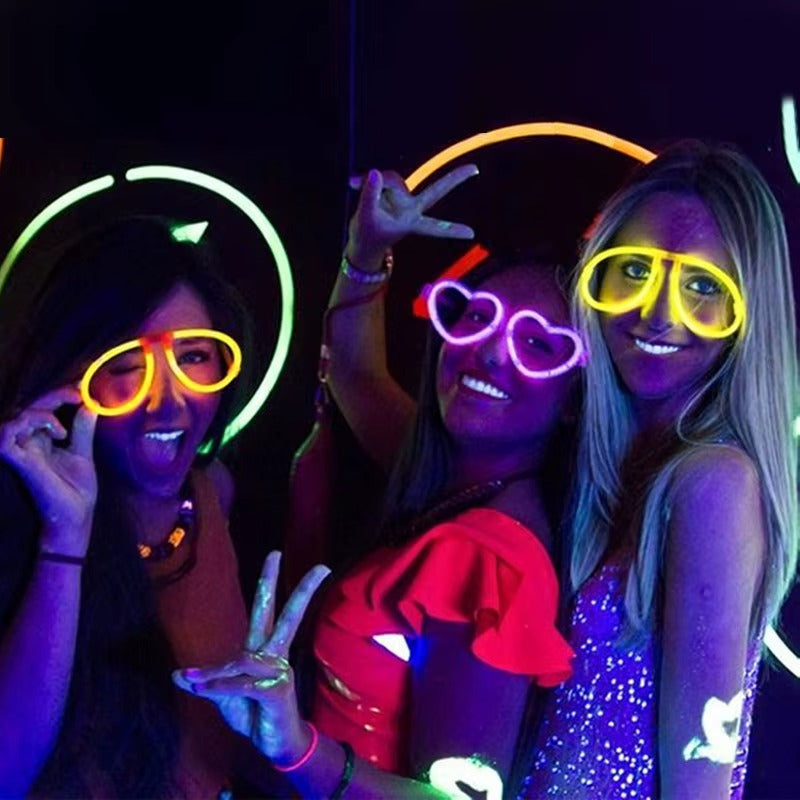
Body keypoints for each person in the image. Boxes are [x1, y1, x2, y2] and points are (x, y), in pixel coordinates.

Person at [175, 166, 583, 797]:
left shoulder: (488, 559)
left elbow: (458, 799)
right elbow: (355, 374)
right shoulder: (455, 481)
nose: (490, 350)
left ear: (575, 401)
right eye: (478, 316)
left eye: (538, 344)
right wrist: (366, 251)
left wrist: (297, 750)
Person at [521, 141, 798, 799]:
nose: (658, 313)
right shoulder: (604, 465)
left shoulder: (713, 485)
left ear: (748, 314)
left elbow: (699, 786)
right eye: (635, 269)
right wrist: (364, 263)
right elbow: (403, 434)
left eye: (703, 286)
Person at [0, 216, 264, 797]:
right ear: (66, 379)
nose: (168, 402)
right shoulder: (21, 519)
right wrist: (64, 537)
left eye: (194, 357)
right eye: (125, 368)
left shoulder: (210, 493)